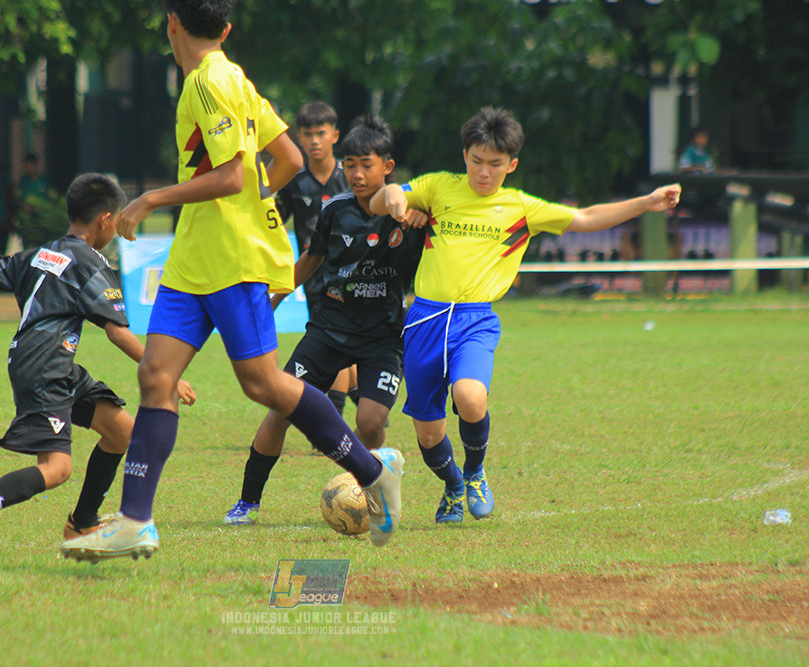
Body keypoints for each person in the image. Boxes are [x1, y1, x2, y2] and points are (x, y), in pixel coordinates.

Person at [59, 0, 404, 563]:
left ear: (172, 22)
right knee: (155, 374)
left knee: (263, 384)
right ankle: (136, 522)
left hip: (230, 260)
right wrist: (253, 201)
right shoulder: (233, 78)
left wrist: (152, 198)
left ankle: (372, 471)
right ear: (225, 28)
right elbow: (288, 157)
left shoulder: (208, 82)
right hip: (195, 255)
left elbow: (233, 174)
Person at [371, 107, 681, 523]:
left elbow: (586, 219)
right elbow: (380, 201)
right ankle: (453, 486)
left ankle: (476, 471)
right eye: (477, 161)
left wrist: (647, 202)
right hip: (425, 321)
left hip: (474, 320)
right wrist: (391, 193)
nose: (484, 172)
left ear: (511, 165)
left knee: (470, 396)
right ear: (465, 156)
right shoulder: (438, 188)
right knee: (428, 435)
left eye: (495, 165)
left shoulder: (520, 207)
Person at [0, 172, 196, 559]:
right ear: (106, 219)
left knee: (122, 431)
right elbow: (118, 333)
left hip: (46, 361)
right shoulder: (91, 264)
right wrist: (169, 374)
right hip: (45, 366)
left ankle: (82, 523)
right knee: (57, 469)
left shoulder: (45, 251)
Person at [223, 114, 426, 526]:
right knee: (280, 409)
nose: (355, 173)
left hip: (382, 338)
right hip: (328, 330)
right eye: (349, 165)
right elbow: (309, 262)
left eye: (365, 165)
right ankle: (247, 502)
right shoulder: (334, 211)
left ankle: (375, 481)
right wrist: (272, 301)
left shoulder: (412, 214)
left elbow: (410, 218)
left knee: (370, 423)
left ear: (387, 166)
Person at [275, 101, 354, 414]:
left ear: (335, 135)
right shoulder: (294, 180)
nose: (314, 141)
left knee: (336, 342)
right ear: (298, 138)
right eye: (307, 134)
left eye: (321, 133)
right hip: (312, 275)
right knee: (340, 343)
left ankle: (333, 422)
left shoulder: (351, 175)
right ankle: (364, 411)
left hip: (353, 274)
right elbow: (274, 221)